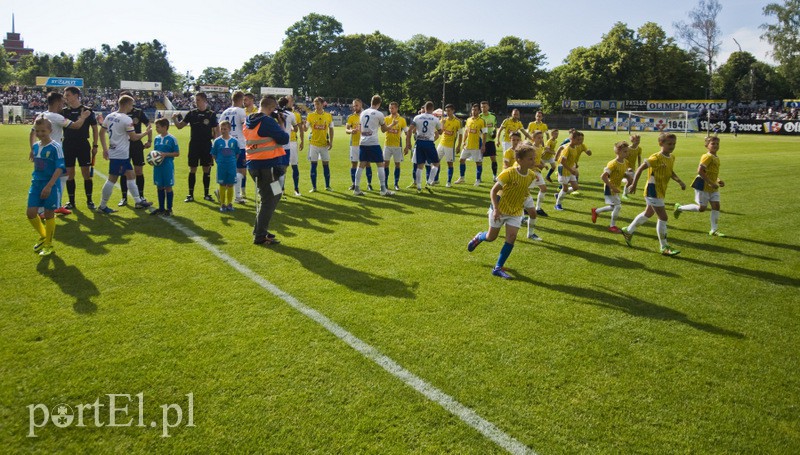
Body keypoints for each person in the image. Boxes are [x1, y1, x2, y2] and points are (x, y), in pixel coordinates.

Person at [466, 143, 539, 280]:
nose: (533, 161)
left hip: (516, 211)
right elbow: (493, 191)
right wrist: (496, 209)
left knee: (511, 237)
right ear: (519, 160)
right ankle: (479, 237)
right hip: (499, 209)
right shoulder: (509, 173)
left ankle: (497, 268)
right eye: (530, 158)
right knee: (491, 237)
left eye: (533, 158)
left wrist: (529, 207)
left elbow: (524, 192)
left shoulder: (531, 175)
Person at [621, 132, 687, 256]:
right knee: (663, 217)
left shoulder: (671, 157)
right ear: (661, 143)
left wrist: (679, 181)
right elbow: (640, 168)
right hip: (652, 190)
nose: (672, 146)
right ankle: (664, 246)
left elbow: (670, 171)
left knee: (648, 213)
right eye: (669, 144)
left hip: (661, 190)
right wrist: (634, 184)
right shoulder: (656, 157)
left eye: (674, 144)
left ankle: (628, 231)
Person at [29, 91, 91, 215]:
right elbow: (76, 126)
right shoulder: (56, 117)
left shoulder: (41, 115)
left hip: (42, 151)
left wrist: (33, 149)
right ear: (57, 102)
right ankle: (43, 210)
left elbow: (32, 133)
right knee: (53, 179)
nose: (63, 105)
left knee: (60, 176)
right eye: (62, 102)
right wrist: (83, 117)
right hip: (53, 152)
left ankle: (57, 204)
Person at [244, 96, 290, 245]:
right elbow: (284, 138)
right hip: (267, 166)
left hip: (255, 165)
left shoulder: (249, 120)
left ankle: (260, 230)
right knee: (268, 200)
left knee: (275, 194)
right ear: (270, 108)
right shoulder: (267, 121)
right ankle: (260, 235)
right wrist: (281, 124)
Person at [96, 95, 153, 213]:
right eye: (131, 105)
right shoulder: (126, 119)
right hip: (121, 153)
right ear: (126, 104)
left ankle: (138, 201)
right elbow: (133, 137)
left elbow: (101, 133)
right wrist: (146, 133)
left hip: (115, 151)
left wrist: (105, 149)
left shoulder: (110, 116)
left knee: (131, 175)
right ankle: (102, 206)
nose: (132, 107)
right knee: (112, 179)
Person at [673, 136, 726, 237]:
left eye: (717, 144)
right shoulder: (707, 157)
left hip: (712, 186)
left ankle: (714, 230)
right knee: (702, 208)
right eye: (713, 144)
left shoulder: (716, 157)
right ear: (707, 145)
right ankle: (679, 207)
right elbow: (700, 171)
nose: (715, 146)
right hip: (702, 185)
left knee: (716, 206)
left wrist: (718, 180)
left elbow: (712, 172)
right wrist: (710, 182)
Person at [27, 118, 65, 257]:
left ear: (50, 131)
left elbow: (60, 168)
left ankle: (49, 244)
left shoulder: (56, 147)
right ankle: (43, 236)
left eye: (43, 131)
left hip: (50, 185)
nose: (40, 133)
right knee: (31, 213)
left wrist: (49, 186)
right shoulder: (36, 146)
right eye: (37, 131)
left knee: (49, 214)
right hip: (36, 183)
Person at [172, 92, 218, 202]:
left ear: (204, 101)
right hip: (194, 145)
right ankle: (190, 195)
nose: (196, 102)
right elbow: (179, 126)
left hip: (207, 145)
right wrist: (174, 119)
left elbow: (216, 131)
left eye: (198, 100)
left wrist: (216, 143)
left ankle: (207, 194)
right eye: (195, 100)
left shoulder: (211, 114)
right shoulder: (191, 113)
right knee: (192, 168)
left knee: (206, 169)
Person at [61, 86, 98, 210]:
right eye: (65, 95)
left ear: (76, 95)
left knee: (86, 174)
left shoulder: (87, 110)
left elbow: (94, 128)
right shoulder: (64, 111)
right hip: (68, 144)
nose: (66, 97)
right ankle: (71, 202)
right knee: (69, 174)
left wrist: (95, 145)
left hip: (83, 144)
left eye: (68, 95)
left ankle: (90, 200)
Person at [353, 95, 398, 196]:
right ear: (379, 103)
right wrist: (392, 124)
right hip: (373, 142)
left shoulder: (363, 113)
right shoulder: (379, 114)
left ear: (371, 101)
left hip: (363, 142)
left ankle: (356, 188)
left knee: (361, 165)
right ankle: (383, 189)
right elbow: (383, 129)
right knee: (380, 164)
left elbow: (360, 129)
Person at [117, 91, 152, 206]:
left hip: (136, 144)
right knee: (123, 171)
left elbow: (148, 125)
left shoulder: (138, 112)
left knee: (138, 171)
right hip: (123, 145)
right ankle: (124, 197)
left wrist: (149, 140)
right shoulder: (118, 114)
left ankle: (140, 197)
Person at [591, 141, 629, 233]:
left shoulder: (626, 162)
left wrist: (627, 177)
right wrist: (612, 187)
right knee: (618, 206)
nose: (627, 153)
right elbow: (603, 176)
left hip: (615, 187)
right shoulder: (612, 163)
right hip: (610, 187)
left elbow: (620, 173)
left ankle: (596, 211)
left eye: (627, 151)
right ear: (618, 152)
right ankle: (612, 226)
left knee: (613, 207)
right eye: (625, 151)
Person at [405, 101, 442, 192]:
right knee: (436, 163)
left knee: (419, 165)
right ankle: (429, 181)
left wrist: (408, 142)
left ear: (424, 108)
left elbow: (410, 130)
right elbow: (440, 132)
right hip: (429, 142)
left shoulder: (417, 117)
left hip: (419, 142)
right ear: (432, 109)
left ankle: (418, 186)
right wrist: (442, 126)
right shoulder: (435, 119)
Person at [219, 91, 248, 202]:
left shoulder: (225, 112)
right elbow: (245, 127)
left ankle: (226, 189)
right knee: (241, 171)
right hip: (239, 144)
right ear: (241, 99)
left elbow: (219, 127)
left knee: (232, 169)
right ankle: (237, 196)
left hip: (226, 144)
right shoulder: (241, 112)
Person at [554, 131, 591, 210]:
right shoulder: (567, 148)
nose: (580, 141)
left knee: (575, 187)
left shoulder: (575, 147)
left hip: (570, 168)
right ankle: (557, 204)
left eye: (581, 140)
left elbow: (571, 157)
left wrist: (575, 164)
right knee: (565, 188)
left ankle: (559, 194)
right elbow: (562, 162)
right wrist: (571, 170)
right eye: (578, 140)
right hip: (564, 169)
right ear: (572, 139)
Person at [149, 118, 179, 216]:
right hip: (158, 168)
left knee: (168, 187)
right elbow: (155, 153)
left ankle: (169, 209)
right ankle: (161, 208)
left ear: (165, 127)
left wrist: (165, 154)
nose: (156, 129)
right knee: (159, 186)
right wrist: (152, 159)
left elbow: (177, 153)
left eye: (158, 127)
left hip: (167, 167)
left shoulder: (172, 139)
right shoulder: (157, 138)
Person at [211, 120, 241, 212]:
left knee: (231, 184)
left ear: (229, 129)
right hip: (221, 166)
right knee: (222, 184)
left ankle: (230, 204)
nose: (223, 130)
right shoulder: (217, 141)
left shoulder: (235, 141)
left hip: (231, 166)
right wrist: (219, 162)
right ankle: (222, 204)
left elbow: (237, 154)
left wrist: (232, 162)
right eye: (221, 129)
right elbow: (214, 154)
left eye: (225, 129)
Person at [306, 97, 334, 192]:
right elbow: (306, 128)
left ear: (322, 104)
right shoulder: (310, 115)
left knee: (326, 164)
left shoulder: (328, 116)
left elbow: (331, 129)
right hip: (313, 144)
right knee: (313, 164)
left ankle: (327, 186)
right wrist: (303, 126)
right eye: (315, 104)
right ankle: (314, 187)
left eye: (318, 104)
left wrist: (331, 141)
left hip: (324, 144)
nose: (316, 106)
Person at [455, 103, 486, 186]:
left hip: (476, 146)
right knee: (461, 160)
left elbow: (485, 134)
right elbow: (466, 132)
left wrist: (483, 145)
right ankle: (462, 177)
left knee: (478, 163)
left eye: (475, 110)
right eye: (472, 109)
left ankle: (478, 179)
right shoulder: (468, 120)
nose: (473, 111)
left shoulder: (481, 121)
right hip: (467, 145)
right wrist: (463, 141)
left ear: (479, 111)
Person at [346, 99, 373, 191]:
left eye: (356, 105)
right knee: (354, 164)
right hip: (354, 144)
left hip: (365, 143)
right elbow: (346, 129)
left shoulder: (367, 115)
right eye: (354, 106)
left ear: (361, 105)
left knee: (367, 163)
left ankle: (369, 184)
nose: (355, 107)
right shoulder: (351, 117)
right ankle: (354, 184)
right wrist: (351, 131)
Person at [383, 101, 407, 191]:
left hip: (397, 146)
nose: (391, 110)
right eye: (390, 108)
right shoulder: (386, 119)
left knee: (397, 164)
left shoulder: (402, 120)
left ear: (397, 108)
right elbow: (384, 129)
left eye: (393, 108)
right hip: (387, 145)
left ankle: (396, 184)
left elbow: (406, 132)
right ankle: (385, 183)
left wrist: (407, 144)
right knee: (385, 164)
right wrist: (392, 124)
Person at [436, 104, 462, 187]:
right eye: (446, 111)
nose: (447, 112)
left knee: (449, 163)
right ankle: (436, 179)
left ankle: (448, 181)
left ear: (453, 111)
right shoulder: (443, 120)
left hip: (450, 146)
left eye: (449, 110)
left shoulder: (458, 122)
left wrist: (458, 146)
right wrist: (442, 123)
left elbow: (460, 134)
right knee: (436, 162)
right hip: (441, 144)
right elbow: (440, 132)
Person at [285, 95, 305, 196]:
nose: (288, 103)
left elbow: (300, 129)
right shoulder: (281, 114)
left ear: (292, 102)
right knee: (282, 167)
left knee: (294, 165)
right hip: (282, 143)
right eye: (286, 101)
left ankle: (296, 188)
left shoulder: (296, 115)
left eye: (289, 101)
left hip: (293, 142)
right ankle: (281, 189)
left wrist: (302, 141)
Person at [529, 131, 549, 217]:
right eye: (539, 138)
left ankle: (538, 208)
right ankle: (523, 208)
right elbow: (529, 162)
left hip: (537, 171)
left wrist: (543, 164)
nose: (541, 139)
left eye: (542, 137)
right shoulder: (531, 149)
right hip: (530, 172)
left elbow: (539, 158)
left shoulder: (540, 147)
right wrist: (539, 165)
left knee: (544, 189)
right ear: (533, 139)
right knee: (526, 192)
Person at [479, 101, 499, 181]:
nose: (483, 108)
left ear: (488, 107)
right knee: (480, 160)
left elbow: (495, 126)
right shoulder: (479, 116)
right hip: (481, 141)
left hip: (490, 140)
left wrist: (494, 133)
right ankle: (479, 176)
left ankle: (494, 175)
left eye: (485, 106)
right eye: (482, 107)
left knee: (493, 158)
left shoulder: (493, 116)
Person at [622, 134, 642, 200]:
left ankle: (624, 180)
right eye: (636, 140)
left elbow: (639, 157)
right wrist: (627, 168)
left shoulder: (639, 149)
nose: (638, 141)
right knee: (630, 181)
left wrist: (639, 166)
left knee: (632, 180)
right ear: (632, 140)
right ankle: (624, 194)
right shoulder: (628, 149)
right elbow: (624, 158)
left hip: (632, 167)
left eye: (639, 140)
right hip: (626, 167)